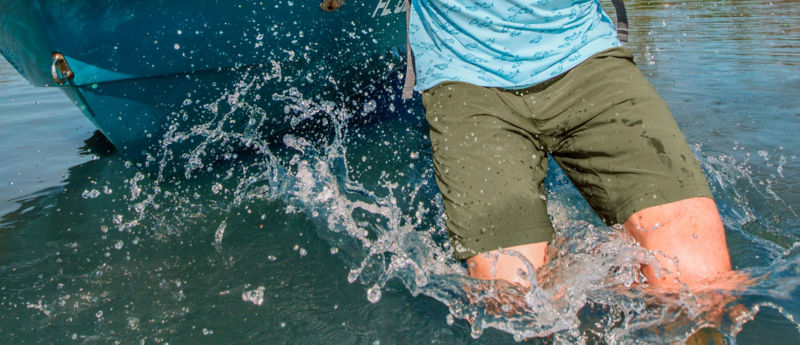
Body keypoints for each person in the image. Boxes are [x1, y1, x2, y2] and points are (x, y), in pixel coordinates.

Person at [403, 0, 734, 291]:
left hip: (586, 58)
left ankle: (597, 264)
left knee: (700, 283)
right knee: (513, 297)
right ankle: (579, 260)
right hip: (466, 78)